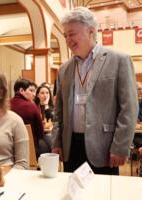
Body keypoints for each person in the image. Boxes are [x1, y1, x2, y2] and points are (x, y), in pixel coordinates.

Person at [52, 7, 138, 175]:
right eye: (65, 36)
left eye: (72, 34)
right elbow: (58, 112)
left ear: (91, 31)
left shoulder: (119, 60)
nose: (68, 40)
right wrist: (57, 143)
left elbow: (129, 108)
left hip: (104, 146)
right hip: (71, 146)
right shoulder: (64, 69)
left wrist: (120, 146)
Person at [10, 78, 50, 158]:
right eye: (31, 91)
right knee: (49, 142)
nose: (34, 94)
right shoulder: (32, 107)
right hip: (29, 149)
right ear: (21, 91)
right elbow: (40, 134)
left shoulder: (5, 105)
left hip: (9, 148)